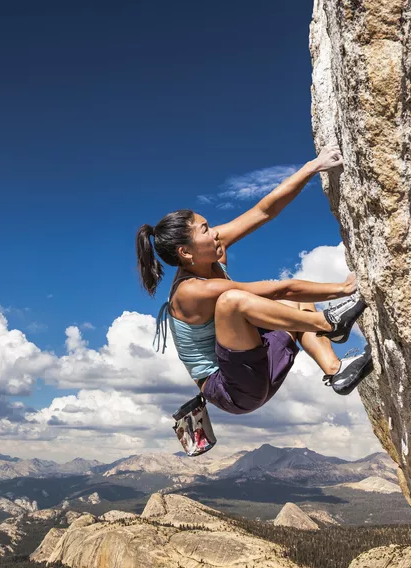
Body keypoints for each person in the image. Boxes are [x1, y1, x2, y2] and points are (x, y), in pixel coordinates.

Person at [135, 146, 372, 417]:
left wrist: (312, 167)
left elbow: (264, 211)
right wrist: (345, 289)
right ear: (186, 252)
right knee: (232, 301)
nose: (214, 233)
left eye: (209, 225)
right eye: (205, 230)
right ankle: (329, 323)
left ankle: (336, 370)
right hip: (231, 389)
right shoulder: (190, 292)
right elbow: (279, 288)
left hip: (257, 362)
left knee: (292, 304)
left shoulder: (210, 251)